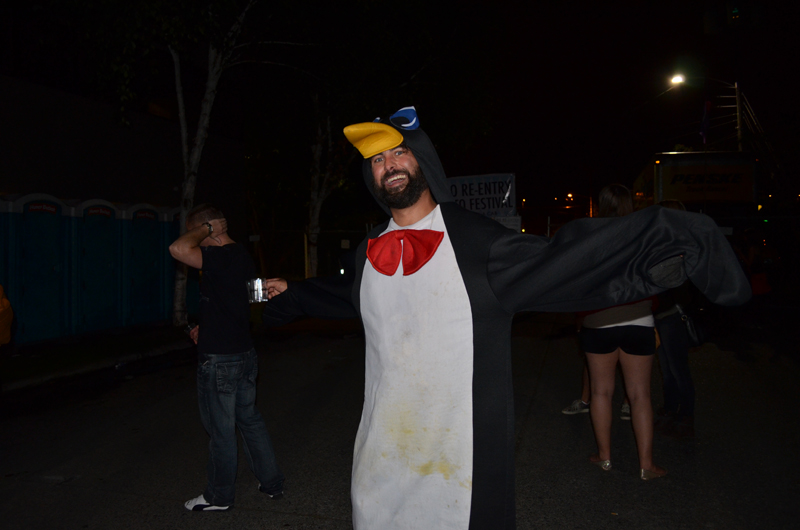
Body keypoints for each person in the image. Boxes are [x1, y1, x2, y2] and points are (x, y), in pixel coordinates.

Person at [261, 106, 750, 529]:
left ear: (424, 160)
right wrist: (294, 293)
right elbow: (346, 297)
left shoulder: (476, 243)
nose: (388, 165)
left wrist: (667, 240)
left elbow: (566, 259)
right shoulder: (370, 249)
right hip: (383, 448)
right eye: (376, 159)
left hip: (460, 454)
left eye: (399, 152)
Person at [169, 204, 284, 512]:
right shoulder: (241, 254)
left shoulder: (218, 255)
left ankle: (219, 497)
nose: (197, 239)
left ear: (210, 229)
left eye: (199, 232)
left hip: (220, 359)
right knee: (250, 420)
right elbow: (237, 300)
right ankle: (271, 483)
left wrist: (206, 230)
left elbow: (178, 249)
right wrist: (205, 327)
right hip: (244, 353)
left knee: (220, 431)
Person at [578, 184, 662, 479]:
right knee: (640, 395)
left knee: (601, 391)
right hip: (638, 318)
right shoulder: (643, 235)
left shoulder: (589, 237)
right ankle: (646, 465)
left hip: (598, 320)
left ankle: (604, 457)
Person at [653, 199, 696, 438]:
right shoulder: (663, 242)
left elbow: (672, 282)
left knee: (678, 369)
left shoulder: (681, 245)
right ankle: (670, 409)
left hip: (672, 313)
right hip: (660, 314)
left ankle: (685, 414)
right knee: (667, 369)